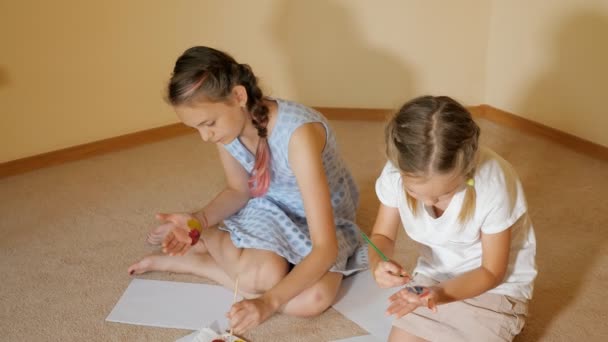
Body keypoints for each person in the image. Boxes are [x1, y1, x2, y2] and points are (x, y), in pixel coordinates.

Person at [127, 46, 367, 334]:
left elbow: (325, 247)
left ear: (239, 96)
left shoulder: (298, 135)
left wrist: (267, 303)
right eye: (197, 129)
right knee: (259, 276)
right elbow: (239, 191)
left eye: (208, 124)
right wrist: (199, 220)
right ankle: (207, 236)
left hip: (322, 220)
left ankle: (199, 263)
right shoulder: (227, 131)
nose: (205, 137)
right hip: (268, 208)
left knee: (310, 301)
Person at [369, 95, 537, 341]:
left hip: (495, 288)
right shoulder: (395, 173)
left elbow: (491, 272)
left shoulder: (493, 183)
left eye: (444, 194)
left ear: (466, 171)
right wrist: (378, 263)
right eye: (414, 192)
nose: (427, 203)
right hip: (433, 278)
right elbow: (381, 236)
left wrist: (439, 294)